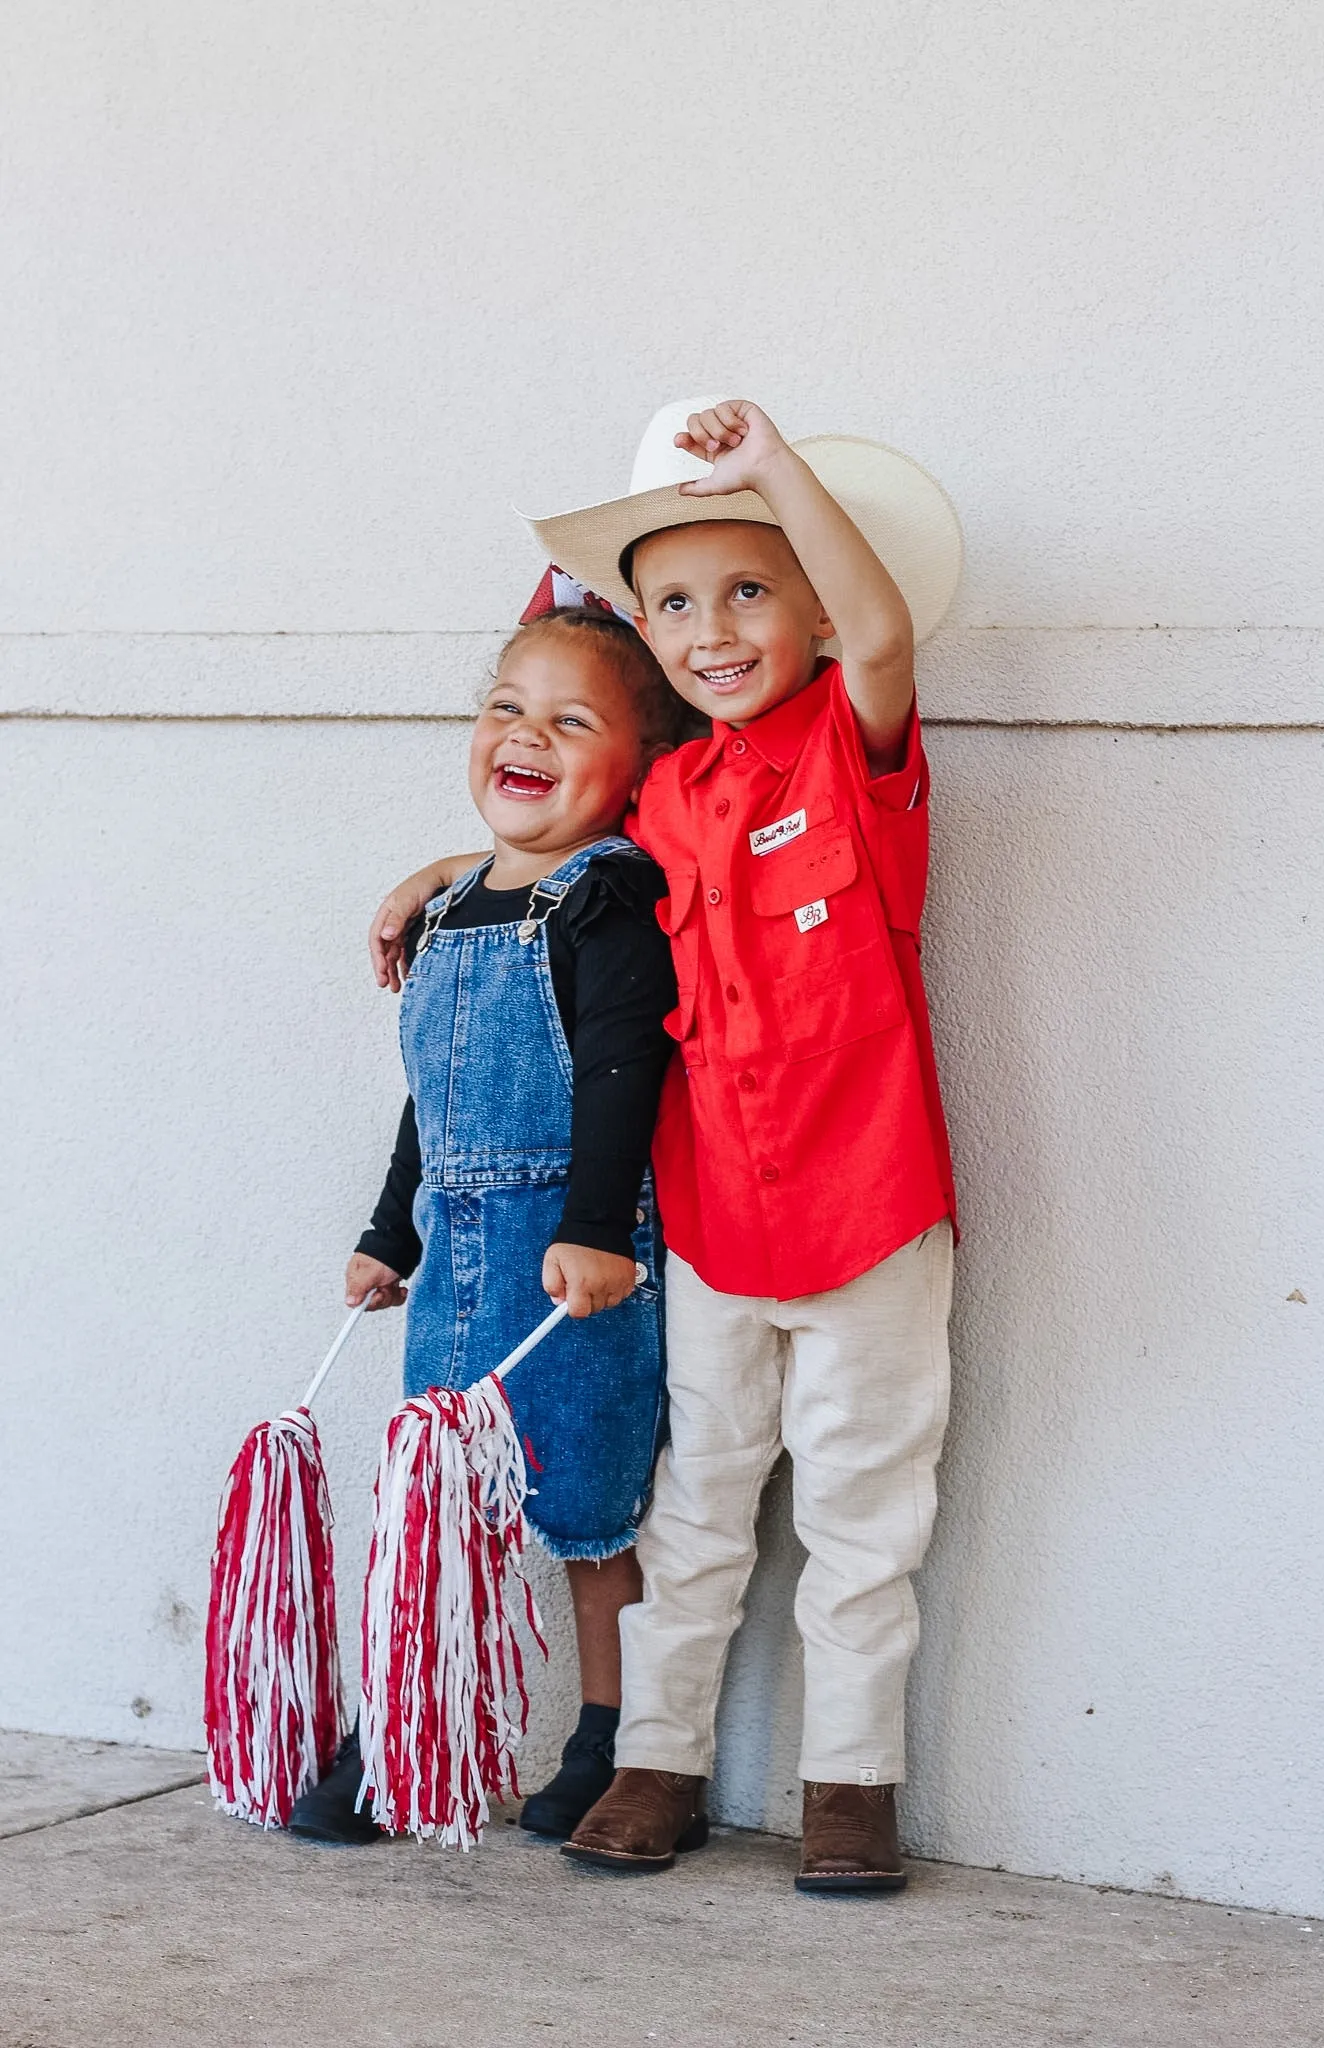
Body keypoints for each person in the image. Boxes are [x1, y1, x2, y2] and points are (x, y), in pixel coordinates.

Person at [367, 399, 963, 1894]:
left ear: (817, 609)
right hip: (702, 1222)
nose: (713, 628)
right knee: (692, 1506)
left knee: (858, 1515)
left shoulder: (852, 749)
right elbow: (553, 822)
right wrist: (443, 871)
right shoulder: (671, 793)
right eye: (678, 601)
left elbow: (885, 641)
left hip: (871, 1215)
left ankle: (850, 1790)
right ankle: (660, 1763)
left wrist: (773, 470)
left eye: (752, 589)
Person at [288, 604, 682, 1847]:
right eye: (508, 704)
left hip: (568, 1265)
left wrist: (600, 1228)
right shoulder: (451, 911)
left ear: (636, 770)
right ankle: (408, 1729)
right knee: (434, 1499)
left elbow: (625, 1070)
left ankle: (610, 1734)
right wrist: (387, 1237)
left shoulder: (604, 900)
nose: (527, 733)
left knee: (584, 1511)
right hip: (454, 1253)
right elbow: (431, 1096)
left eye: (572, 719)